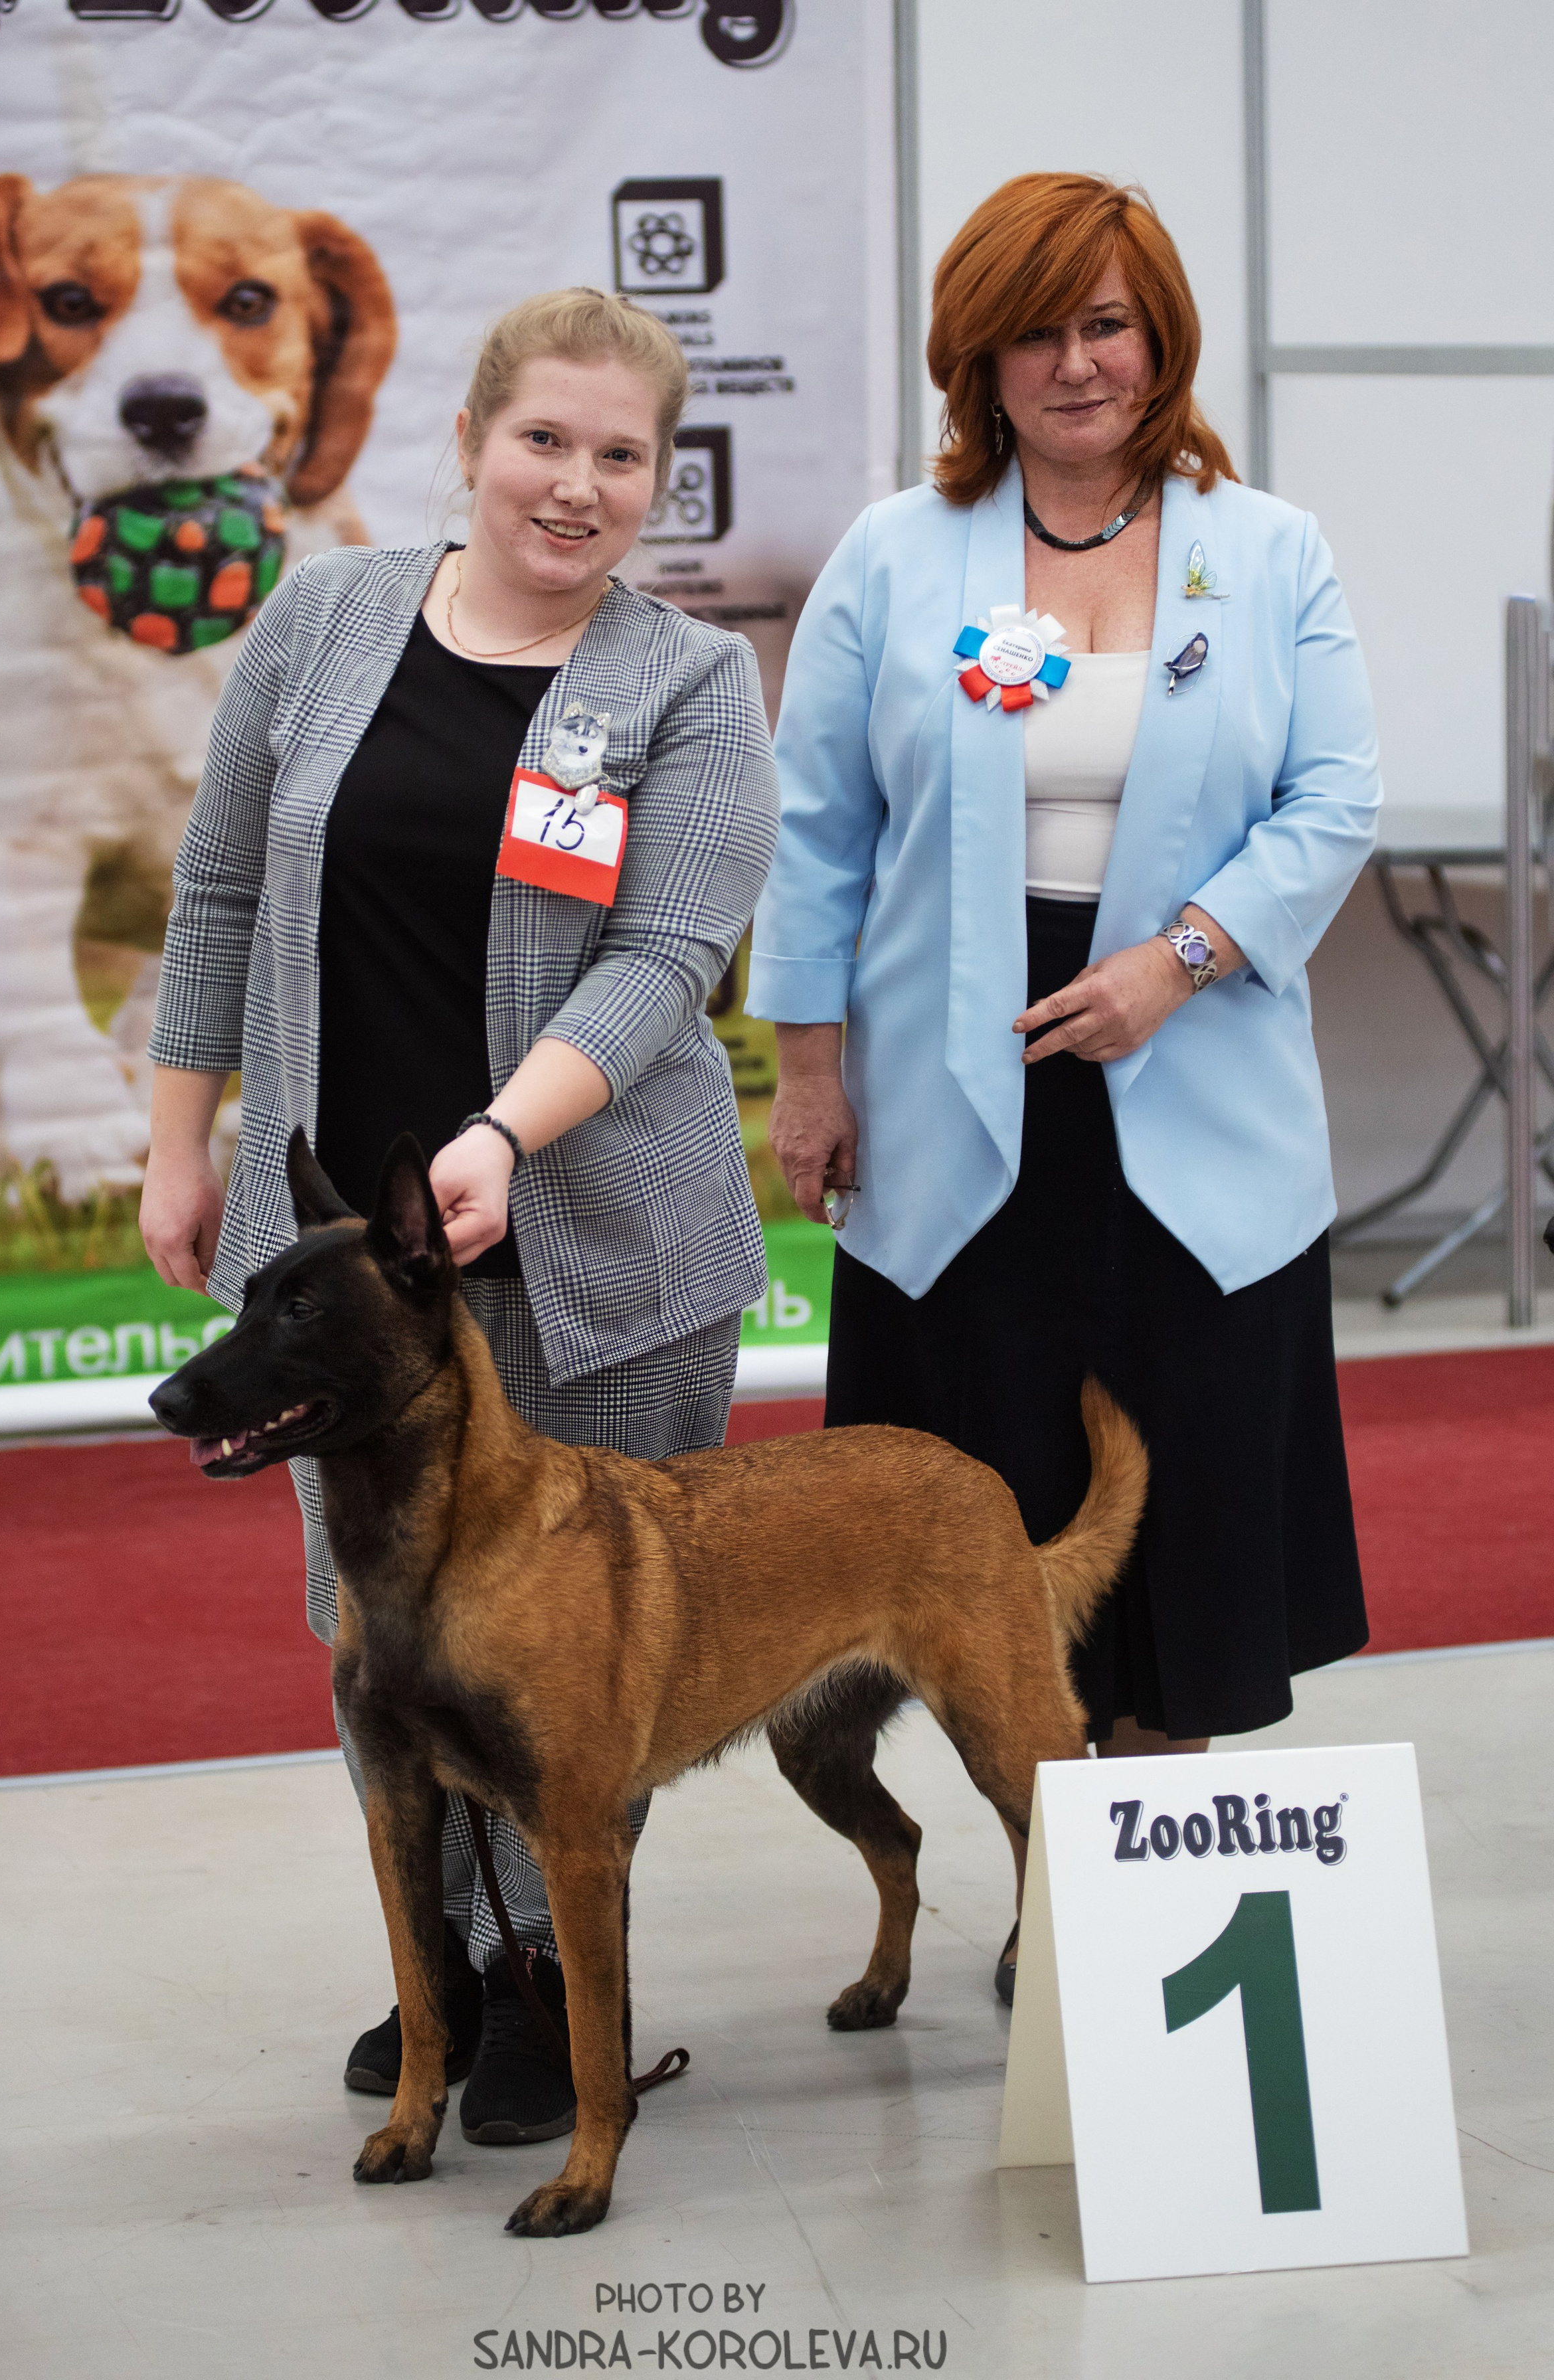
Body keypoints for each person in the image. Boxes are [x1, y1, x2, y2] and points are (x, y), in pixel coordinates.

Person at [141, 288, 778, 2136]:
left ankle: (550, 1983)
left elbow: (667, 958)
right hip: (350, 1269)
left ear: (659, 479)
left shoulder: (689, 682)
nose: (576, 486)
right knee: (394, 1630)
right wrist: (183, 1144)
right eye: (543, 441)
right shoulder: (325, 616)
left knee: (571, 1657)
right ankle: (459, 1961)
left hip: (601, 1251)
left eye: (620, 457)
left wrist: (502, 1134)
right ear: (472, 441)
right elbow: (217, 891)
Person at [748, 174, 1379, 2001]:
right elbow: (819, 830)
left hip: (1196, 1079)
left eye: (1109, 323)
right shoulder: (897, 553)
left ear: (1160, 339)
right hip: (955, 1110)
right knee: (981, 1526)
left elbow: (1334, 797)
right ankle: (1049, 1857)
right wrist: (808, 1074)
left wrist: (1181, 956)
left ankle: (1123, 1921)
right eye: (1037, 331)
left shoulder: (1269, 550)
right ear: (978, 359)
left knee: (1178, 1521)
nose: (1078, 362)